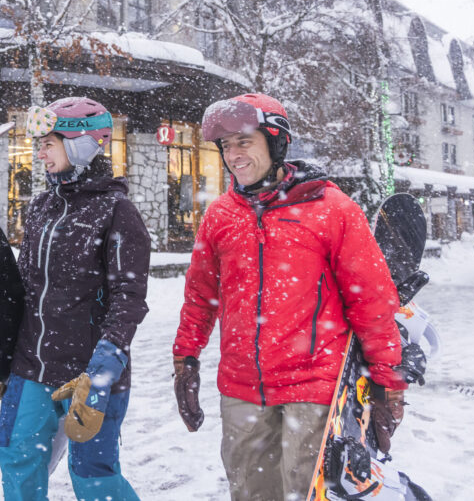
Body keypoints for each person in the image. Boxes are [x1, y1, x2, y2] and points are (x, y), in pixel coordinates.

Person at [171, 93, 408, 501]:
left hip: (315, 388)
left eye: (243, 142)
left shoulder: (332, 209)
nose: (233, 155)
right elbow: (200, 295)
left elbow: (372, 300)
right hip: (241, 387)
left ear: (276, 141)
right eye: (225, 146)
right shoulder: (221, 215)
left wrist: (388, 382)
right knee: (250, 493)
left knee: (304, 494)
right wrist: (185, 359)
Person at [0, 97, 151, 501]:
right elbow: (23, 285)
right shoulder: (41, 205)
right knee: (17, 457)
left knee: (94, 475)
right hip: (30, 366)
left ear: (82, 145)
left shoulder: (117, 211)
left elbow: (130, 298)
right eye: (39, 145)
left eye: (49, 144)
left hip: (89, 373)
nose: (40, 153)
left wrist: (104, 367)